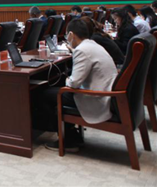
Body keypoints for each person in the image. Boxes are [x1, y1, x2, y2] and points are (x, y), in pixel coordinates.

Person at [42, 19, 118, 152]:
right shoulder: (93, 45)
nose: (67, 38)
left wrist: (66, 79)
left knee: (46, 94)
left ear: (71, 34)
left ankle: (68, 140)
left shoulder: (82, 50)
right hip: (106, 94)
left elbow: (74, 83)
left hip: (96, 98)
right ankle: (72, 134)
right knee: (56, 91)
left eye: (67, 35)